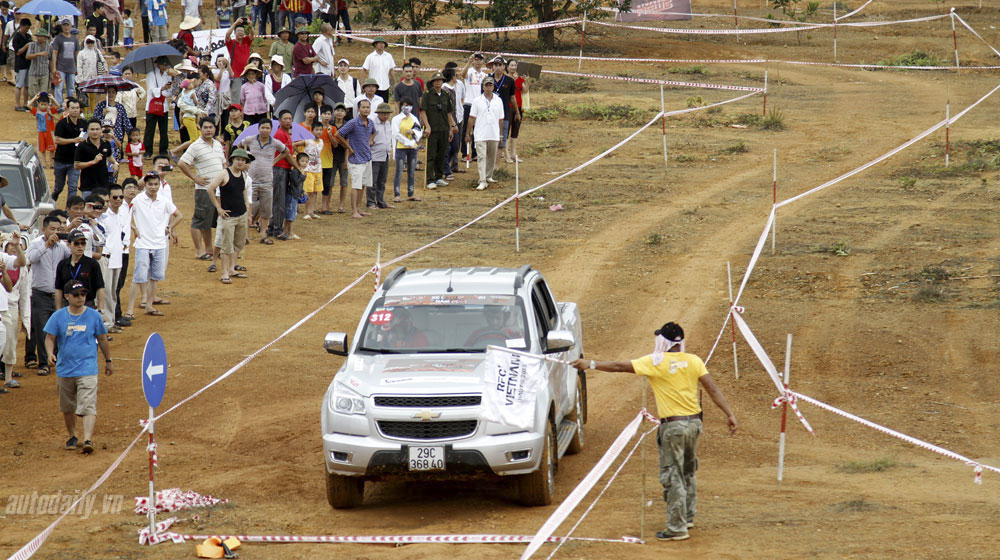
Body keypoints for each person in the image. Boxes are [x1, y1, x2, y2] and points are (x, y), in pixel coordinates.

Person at [571, 322, 737, 542]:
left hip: (673, 427)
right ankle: (687, 516)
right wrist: (729, 414)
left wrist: (589, 364)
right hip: (695, 424)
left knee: (673, 474)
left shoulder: (654, 362)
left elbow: (619, 366)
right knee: (688, 471)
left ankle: (677, 528)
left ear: (664, 341)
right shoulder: (694, 361)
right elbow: (712, 389)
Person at [44, 279, 113, 454]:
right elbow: (49, 338)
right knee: (68, 407)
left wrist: (108, 360)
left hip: (88, 368)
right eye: (76, 295)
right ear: (67, 296)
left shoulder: (94, 316)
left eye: (83, 294)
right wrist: (50, 353)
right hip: (65, 369)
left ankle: (88, 438)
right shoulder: (58, 316)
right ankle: (72, 436)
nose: (80, 297)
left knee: (88, 404)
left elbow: (103, 339)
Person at [126, 172, 182, 318]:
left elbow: (179, 215)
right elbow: (126, 214)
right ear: (145, 184)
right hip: (143, 243)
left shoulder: (163, 201)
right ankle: (130, 310)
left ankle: (149, 306)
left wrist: (169, 228)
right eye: (150, 184)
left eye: (156, 184)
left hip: (159, 244)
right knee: (138, 278)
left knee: (154, 278)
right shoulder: (138, 199)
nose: (153, 187)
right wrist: (133, 228)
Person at [27, 216, 70, 376]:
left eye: (58, 229)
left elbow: (70, 257)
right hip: (40, 295)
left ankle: (57, 360)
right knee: (42, 330)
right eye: (52, 229)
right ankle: (44, 363)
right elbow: (31, 259)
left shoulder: (62, 247)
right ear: (44, 229)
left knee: (60, 329)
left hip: (58, 295)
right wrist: (47, 244)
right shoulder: (36, 244)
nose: (55, 232)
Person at [177, 118, 225, 262]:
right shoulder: (195, 145)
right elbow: (181, 163)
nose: (208, 130)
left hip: (218, 190)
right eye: (205, 127)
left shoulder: (217, 144)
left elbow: (223, 164)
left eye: (211, 127)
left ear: (215, 129)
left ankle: (209, 249)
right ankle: (199, 251)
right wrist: (195, 178)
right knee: (199, 220)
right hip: (203, 189)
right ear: (201, 129)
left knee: (209, 221)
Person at [240, 119, 295, 242]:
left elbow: (286, 151)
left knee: (266, 209)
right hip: (251, 180)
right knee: (249, 208)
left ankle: (263, 235)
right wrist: (245, 158)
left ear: (271, 130)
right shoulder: (250, 139)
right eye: (262, 128)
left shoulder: (275, 143)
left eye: (267, 128)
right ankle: (245, 235)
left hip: (267, 180)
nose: (265, 130)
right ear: (259, 129)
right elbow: (239, 145)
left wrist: (274, 162)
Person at [207, 149, 252, 283]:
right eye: (238, 159)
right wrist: (219, 208)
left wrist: (247, 206)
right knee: (226, 245)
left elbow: (243, 190)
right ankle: (224, 272)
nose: (240, 162)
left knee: (238, 244)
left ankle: (232, 268)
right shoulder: (224, 173)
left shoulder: (243, 175)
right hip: (228, 216)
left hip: (241, 214)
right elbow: (210, 188)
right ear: (232, 159)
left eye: (243, 160)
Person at [333, 98, 373, 219]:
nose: (366, 109)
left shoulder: (370, 123)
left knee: (363, 184)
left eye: (368, 107)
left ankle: (359, 208)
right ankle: (354, 210)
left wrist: (370, 140)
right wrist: (348, 147)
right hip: (355, 159)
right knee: (356, 185)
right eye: (363, 107)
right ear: (358, 109)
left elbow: (374, 132)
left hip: (367, 157)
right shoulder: (353, 122)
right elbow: (338, 134)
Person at [0, 233, 30, 390]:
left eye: (16, 245)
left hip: (9, 306)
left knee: (10, 342)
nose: (12, 247)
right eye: (9, 244)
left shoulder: (6, 260)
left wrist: (17, 245)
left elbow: (21, 262)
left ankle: (8, 376)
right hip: (4, 306)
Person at [420, 72, 457, 191]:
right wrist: (427, 126)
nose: (438, 82)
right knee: (431, 155)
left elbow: (448, 112)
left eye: (440, 80)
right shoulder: (427, 95)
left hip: (444, 129)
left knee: (442, 154)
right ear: (432, 82)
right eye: (436, 80)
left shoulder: (446, 94)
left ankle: (439, 177)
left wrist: (451, 127)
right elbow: (423, 112)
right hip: (433, 129)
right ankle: (430, 179)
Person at [466, 76, 503, 191]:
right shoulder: (477, 101)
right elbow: (471, 118)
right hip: (480, 133)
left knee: (491, 157)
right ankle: (482, 181)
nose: (488, 88)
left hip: (494, 133)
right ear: (483, 87)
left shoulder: (498, 100)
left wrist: (501, 135)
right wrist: (467, 133)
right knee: (482, 157)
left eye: (490, 85)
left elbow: (501, 119)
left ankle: (488, 176)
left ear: (493, 87)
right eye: (486, 85)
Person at [54, 230, 105, 312]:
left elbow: (100, 287)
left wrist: (101, 310)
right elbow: (58, 289)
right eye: (76, 243)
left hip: (87, 305)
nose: (80, 246)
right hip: (67, 307)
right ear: (69, 245)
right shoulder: (62, 265)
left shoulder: (92, 264)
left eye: (83, 243)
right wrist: (58, 311)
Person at [267, 110, 298, 241]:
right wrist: (297, 168)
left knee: (278, 198)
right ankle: (277, 229)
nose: (288, 121)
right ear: (279, 121)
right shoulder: (280, 134)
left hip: (282, 169)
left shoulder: (285, 134)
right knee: (279, 200)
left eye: (290, 118)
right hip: (280, 169)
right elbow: (287, 154)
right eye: (285, 118)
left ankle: (272, 226)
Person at [74, 119, 117, 199]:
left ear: (101, 130)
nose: (95, 132)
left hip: (103, 184)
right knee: (88, 209)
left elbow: (109, 156)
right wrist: (93, 162)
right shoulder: (82, 146)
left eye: (97, 129)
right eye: (92, 129)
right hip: (88, 186)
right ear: (88, 131)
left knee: (104, 209)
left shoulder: (105, 144)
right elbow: (76, 165)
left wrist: (115, 163)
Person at [144, 57, 176, 157]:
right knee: (150, 129)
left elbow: (169, 92)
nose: (164, 67)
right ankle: (148, 151)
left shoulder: (167, 75)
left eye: (166, 65)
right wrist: (162, 89)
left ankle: (163, 150)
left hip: (163, 105)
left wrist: (165, 89)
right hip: (152, 105)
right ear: (158, 64)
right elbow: (152, 90)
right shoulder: (151, 74)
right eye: (163, 64)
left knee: (164, 130)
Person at [487, 56, 520, 155]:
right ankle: (490, 162)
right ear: (493, 67)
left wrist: (517, 112)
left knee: (502, 140)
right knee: (490, 139)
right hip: (490, 115)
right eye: (495, 65)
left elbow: (512, 98)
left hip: (504, 114)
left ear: (503, 67)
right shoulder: (488, 80)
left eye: (499, 65)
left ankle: (496, 166)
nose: (497, 67)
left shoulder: (509, 81)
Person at [390, 98, 421, 203]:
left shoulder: (414, 118)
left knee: (411, 171)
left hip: (413, 148)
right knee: (399, 171)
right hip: (401, 147)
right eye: (404, 105)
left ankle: (411, 193)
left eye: (408, 105)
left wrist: (413, 133)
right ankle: (397, 194)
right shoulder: (397, 119)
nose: (406, 107)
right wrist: (408, 142)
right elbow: (396, 134)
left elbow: (419, 130)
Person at [460, 52, 486, 161]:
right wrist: (468, 62)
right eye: (476, 59)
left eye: (480, 60)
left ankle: (475, 153)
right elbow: (462, 74)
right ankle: (464, 153)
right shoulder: (470, 72)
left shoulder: (485, 75)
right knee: (466, 128)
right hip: (469, 103)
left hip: (480, 104)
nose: (478, 62)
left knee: (478, 129)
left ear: (483, 61)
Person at [367, 103, 393, 210]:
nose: (385, 116)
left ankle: (381, 201)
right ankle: (371, 202)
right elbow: (368, 138)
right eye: (383, 113)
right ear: (378, 113)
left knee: (382, 180)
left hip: (385, 155)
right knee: (372, 181)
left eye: (387, 114)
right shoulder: (373, 123)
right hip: (375, 155)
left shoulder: (388, 124)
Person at [442, 64, 465, 181]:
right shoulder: (445, 90)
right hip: (449, 122)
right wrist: (452, 124)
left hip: (457, 118)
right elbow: (447, 110)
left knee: (455, 146)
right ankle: (445, 169)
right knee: (448, 146)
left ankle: (443, 165)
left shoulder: (456, 87)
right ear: (453, 77)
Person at [48, 22, 78, 108]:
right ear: (62, 27)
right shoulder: (58, 39)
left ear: (71, 26)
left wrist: (77, 67)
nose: (66, 27)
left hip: (71, 67)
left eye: (68, 25)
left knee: (71, 88)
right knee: (59, 87)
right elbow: (55, 54)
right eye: (64, 25)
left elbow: (76, 53)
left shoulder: (74, 39)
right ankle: (59, 106)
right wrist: (54, 68)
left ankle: (70, 105)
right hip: (60, 67)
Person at [225, 17, 255, 103]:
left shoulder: (246, 41)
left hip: (248, 74)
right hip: (236, 75)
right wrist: (235, 23)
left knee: (249, 98)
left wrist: (250, 26)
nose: (241, 33)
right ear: (234, 33)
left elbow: (252, 35)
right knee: (236, 98)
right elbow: (227, 35)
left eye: (242, 31)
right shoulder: (232, 43)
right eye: (238, 31)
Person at [29, 92, 59, 168]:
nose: (43, 106)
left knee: (51, 149)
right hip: (41, 132)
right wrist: (35, 98)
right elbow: (28, 105)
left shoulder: (50, 110)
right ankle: (44, 163)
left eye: (45, 104)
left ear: (48, 104)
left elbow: (58, 106)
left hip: (50, 131)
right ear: (38, 104)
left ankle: (52, 163)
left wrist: (52, 98)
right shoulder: (36, 110)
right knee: (42, 149)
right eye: (41, 104)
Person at [300, 121, 324, 219]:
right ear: (312, 131)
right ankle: (306, 212)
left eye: (320, 130)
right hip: (308, 169)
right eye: (316, 130)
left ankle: (312, 211)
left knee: (315, 191)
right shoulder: (308, 141)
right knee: (308, 191)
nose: (319, 132)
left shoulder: (321, 142)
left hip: (317, 169)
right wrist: (301, 157)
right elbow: (295, 145)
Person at [283, 152, 306, 239]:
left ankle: (286, 231)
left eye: (306, 162)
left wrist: (302, 191)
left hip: (295, 194)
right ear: (297, 161)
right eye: (302, 161)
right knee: (291, 215)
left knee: (290, 214)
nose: (304, 163)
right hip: (292, 195)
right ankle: (290, 232)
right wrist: (303, 176)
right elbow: (296, 182)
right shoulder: (296, 171)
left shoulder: (299, 171)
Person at [11, 18, 30, 112]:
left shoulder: (28, 36)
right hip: (21, 64)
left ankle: (25, 103)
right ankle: (17, 104)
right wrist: (27, 46)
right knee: (19, 84)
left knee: (26, 85)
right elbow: (18, 52)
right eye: (26, 27)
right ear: (21, 26)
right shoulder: (17, 37)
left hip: (28, 64)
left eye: (28, 28)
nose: (27, 29)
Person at [25, 27, 49, 99]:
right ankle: (34, 108)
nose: (38, 38)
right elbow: (27, 56)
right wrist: (38, 54)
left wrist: (51, 72)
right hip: (34, 72)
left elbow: (51, 59)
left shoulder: (49, 46)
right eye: (37, 36)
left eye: (40, 36)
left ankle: (42, 109)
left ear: (44, 37)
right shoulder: (32, 45)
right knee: (33, 94)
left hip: (44, 73)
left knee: (43, 94)